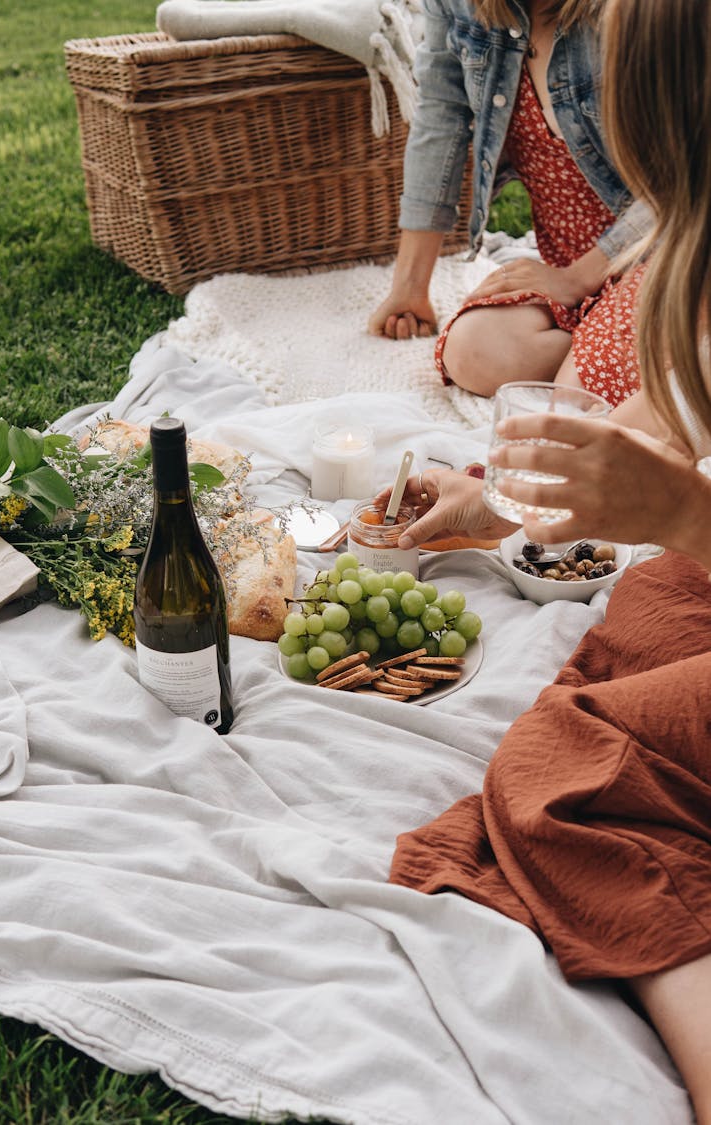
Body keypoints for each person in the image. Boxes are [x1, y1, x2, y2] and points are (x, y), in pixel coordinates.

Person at [383, 1, 711, 1119]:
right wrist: (501, 505)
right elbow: (667, 443)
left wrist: (683, 513)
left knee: (555, 774)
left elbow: (675, 484)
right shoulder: (692, 258)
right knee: (645, 615)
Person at [368, 0, 653, 406]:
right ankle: (646, 351)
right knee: (474, 351)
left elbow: (691, 185)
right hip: (573, 267)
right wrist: (410, 287)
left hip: (672, 254)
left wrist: (576, 280)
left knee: (583, 386)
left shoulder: (640, 11)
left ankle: (648, 346)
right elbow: (441, 114)